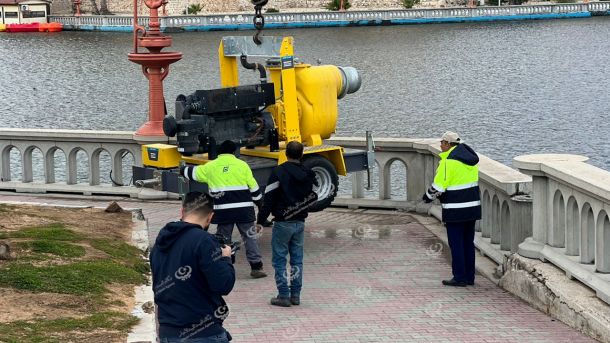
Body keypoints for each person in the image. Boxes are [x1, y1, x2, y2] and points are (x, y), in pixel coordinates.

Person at [150, 191, 235, 343]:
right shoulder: (205, 241)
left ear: (182, 211)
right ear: (210, 217)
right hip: (203, 333)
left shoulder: (161, 241)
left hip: (168, 332)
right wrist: (226, 258)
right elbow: (223, 285)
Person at [180, 140, 267, 279]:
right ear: (233, 152)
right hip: (244, 210)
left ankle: (226, 263)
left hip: (223, 210)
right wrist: (260, 204)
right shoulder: (242, 165)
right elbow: (254, 188)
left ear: (219, 152)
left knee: (223, 238)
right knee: (249, 237)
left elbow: (193, 173)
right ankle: (256, 267)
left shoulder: (211, 166)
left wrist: (182, 169)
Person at [257, 141, 318, 307]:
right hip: (300, 221)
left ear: (286, 154)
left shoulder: (278, 172)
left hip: (283, 222)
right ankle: (296, 295)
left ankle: (283, 295)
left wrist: (261, 219)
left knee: (279, 259)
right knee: (297, 260)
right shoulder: (308, 174)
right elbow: (312, 197)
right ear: (302, 154)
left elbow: (268, 199)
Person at [422, 131, 481, 287]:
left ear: (449, 144)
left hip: (456, 209)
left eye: (442, 142)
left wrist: (427, 196)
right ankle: (469, 276)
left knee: (456, 244)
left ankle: (459, 277)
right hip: (472, 208)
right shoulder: (470, 161)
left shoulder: (448, 162)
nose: (440, 145)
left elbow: (439, 186)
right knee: (468, 243)